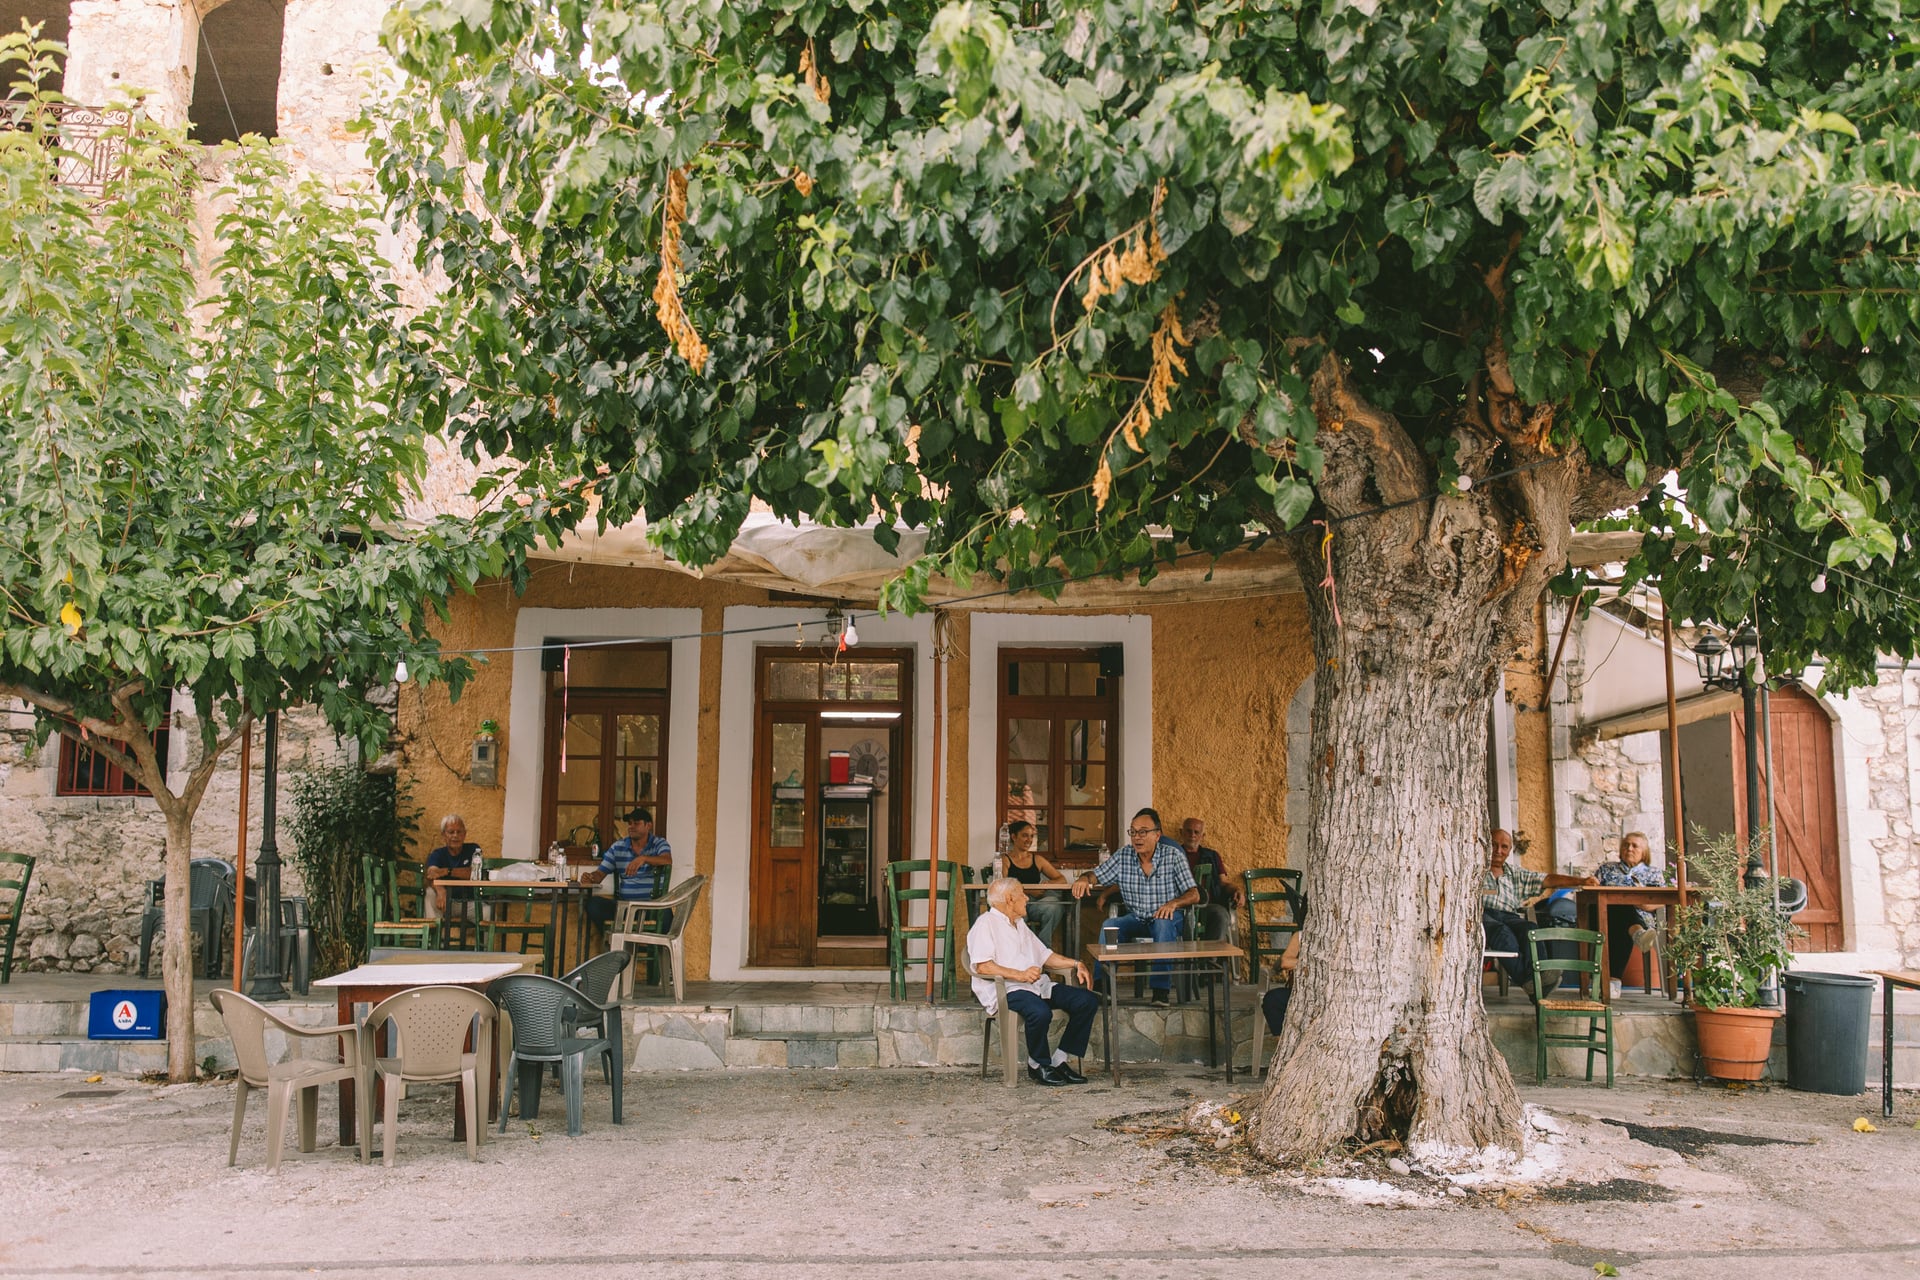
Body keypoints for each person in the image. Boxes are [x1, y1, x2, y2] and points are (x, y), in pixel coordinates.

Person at [967, 877, 1097, 1086]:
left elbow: (1045, 956)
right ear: (1010, 899)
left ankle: (1059, 1060)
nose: (1027, 898)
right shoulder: (986, 924)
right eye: (1022, 894)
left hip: (1036, 986)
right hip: (1008, 989)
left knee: (1087, 1001)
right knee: (1039, 1012)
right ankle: (1038, 1064)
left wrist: (1076, 963)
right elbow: (983, 966)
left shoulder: (1019, 924)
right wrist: (1019, 975)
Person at [1072, 807, 1198, 1004]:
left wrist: (1173, 903)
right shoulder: (1124, 856)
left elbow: (1194, 893)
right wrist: (1084, 879)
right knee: (1109, 926)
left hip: (1169, 918)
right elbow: (1096, 874)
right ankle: (1102, 987)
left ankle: (1160, 991)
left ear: (1157, 835)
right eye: (1133, 831)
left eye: (1143, 832)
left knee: (1162, 923)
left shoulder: (1173, 856)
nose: (1137, 837)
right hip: (1137, 918)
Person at [1482, 827, 1594, 1000]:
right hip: (1483, 915)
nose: (1498, 850)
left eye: (1504, 847)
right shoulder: (1475, 870)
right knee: (1502, 934)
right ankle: (1532, 982)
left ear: (1509, 851)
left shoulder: (1514, 874)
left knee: (1530, 929)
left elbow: (1546, 879)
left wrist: (1581, 881)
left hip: (1509, 915)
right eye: (1494, 845)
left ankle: (1539, 978)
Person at [1595, 831, 1666, 992]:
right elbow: (1592, 890)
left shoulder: (1653, 873)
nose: (1629, 848)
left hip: (1639, 917)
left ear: (1644, 852)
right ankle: (1638, 935)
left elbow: (1662, 899)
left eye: (1635, 846)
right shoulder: (1606, 869)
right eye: (1626, 845)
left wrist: (1648, 904)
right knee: (1618, 903)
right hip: (1605, 916)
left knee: (1621, 912)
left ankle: (1612, 982)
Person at [583, 807, 672, 932]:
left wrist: (644, 859)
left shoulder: (659, 843)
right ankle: (612, 940)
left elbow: (667, 860)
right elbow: (599, 874)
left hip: (652, 908)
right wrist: (591, 877)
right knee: (593, 904)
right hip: (625, 908)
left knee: (666, 913)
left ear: (648, 825)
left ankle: (655, 949)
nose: (631, 827)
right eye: (629, 823)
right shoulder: (618, 847)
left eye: (636, 823)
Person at [1002, 820, 1071, 949]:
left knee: (1054, 905)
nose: (1029, 839)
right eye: (1024, 835)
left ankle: (1042, 948)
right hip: (1014, 905)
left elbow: (1061, 879)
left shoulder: (1037, 859)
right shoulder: (1005, 860)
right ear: (1013, 837)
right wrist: (1027, 891)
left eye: (1031, 836)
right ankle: (1022, 951)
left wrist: (1048, 884)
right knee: (1018, 917)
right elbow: (1003, 885)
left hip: (1034, 905)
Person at [1178, 817, 1243, 947]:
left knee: (1221, 915)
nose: (1192, 835)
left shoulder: (1212, 856)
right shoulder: (1174, 855)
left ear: (1203, 836)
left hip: (1207, 907)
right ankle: (1187, 963)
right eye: (1188, 831)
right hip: (1182, 907)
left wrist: (1237, 891)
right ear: (1182, 833)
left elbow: (1223, 882)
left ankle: (1210, 962)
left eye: (1196, 832)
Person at [423, 814, 482, 917]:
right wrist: (440, 889)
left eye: (459, 832)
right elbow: (431, 873)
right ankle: (434, 932)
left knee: (488, 914)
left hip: (469, 903)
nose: (455, 835)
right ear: (443, 835)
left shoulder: (474, 850)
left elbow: (474, 873)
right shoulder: (438, 854)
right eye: (451, 832)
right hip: (444, 902)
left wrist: (447, 871)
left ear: (464, 834)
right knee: (430, 893)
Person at [1260, 930, 1303, 1038]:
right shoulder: (1301, 935)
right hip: (1301, 994)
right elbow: (1285, 962)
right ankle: (1282, 1047)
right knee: (1272, 999)